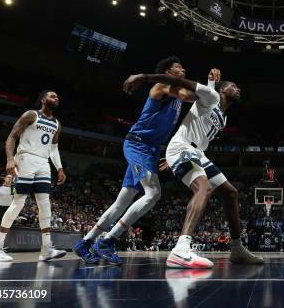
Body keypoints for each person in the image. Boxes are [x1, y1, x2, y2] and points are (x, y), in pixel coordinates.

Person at [124, 68, 263, 269]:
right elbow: (176, 81)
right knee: (204, 188)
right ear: (223, 90)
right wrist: (142, 77)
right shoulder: (211, 95)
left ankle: (237, 248)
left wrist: (174, 161)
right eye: (234, 86)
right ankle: (180, 249)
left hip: (196, 153)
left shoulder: (224, 117)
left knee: (230, 193)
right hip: (183, 147)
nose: (238, 89)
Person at [74, 57, 195, 265]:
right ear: (168, 71)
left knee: (122, 201)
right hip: (138, 144)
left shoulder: (176, 93)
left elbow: (189, 95)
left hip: (150, 149)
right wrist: (210, 91)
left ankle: (85, 242)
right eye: (178, 66)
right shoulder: (162, 85)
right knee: (154, 193)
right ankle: (108, 240)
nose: (183, 68)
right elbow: (189, 95)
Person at [0, 90, 67, 262]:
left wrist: (59, 168)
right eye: (52, 96)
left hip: (43, 163)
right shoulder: (31, 115)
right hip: (25, 158)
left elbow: (53, 148)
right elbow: (12, 136)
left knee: (45, 204)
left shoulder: (57, 124)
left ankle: (46, 248)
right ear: (43, 99)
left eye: (57, 96)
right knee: (18, 202)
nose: (56, 98)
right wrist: (9, 159)